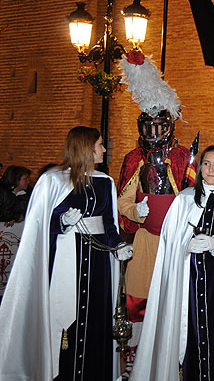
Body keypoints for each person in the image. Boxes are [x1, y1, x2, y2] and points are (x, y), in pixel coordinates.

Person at [0, 126, 133, 380]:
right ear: (85, 147)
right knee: (66, 320)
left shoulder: (106, 183)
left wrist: (119, 245)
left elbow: (108, 223)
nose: (104, 149)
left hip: (98, 265)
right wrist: (61, 222)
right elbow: (37, 226)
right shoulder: (53, 181)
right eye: (100, 144)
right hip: (66, 264)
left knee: (96, 319)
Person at [130, 145, 214, 381]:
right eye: (206, 163)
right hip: (187, 287)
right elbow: (170, 243)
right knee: (189, 333)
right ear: (199, 167)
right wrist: (185, 246)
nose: (211, 169)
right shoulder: (184, 200)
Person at [116, 49, 194, 371]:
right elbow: (123, 202)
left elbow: (195, 198)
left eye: (158, 127)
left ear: (168, 126)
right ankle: (135, 357)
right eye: (147, 128)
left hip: (176, 243)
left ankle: (171, 359)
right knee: (139, 300)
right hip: (146, 241)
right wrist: (138, 212)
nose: (152, 134)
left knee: (173, 303)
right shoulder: (134, 158)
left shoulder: (182, 157)